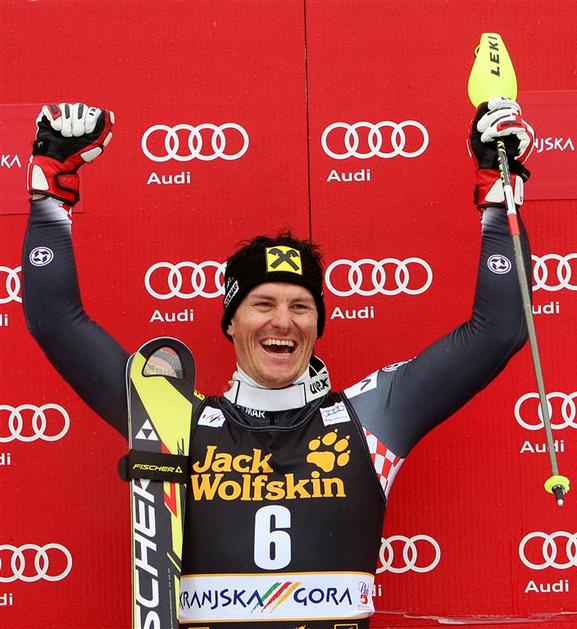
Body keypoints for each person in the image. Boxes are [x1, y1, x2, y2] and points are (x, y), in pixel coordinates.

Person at [23, 99, 534, 628]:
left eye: (301, 307)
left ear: (318, 323)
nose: (282, 322)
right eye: (262, 304)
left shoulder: (373, 417)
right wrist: (50, 191)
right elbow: (55, 323)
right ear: (230, 322)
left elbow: (499, 331)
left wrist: (501, 195)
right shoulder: (173, 421)